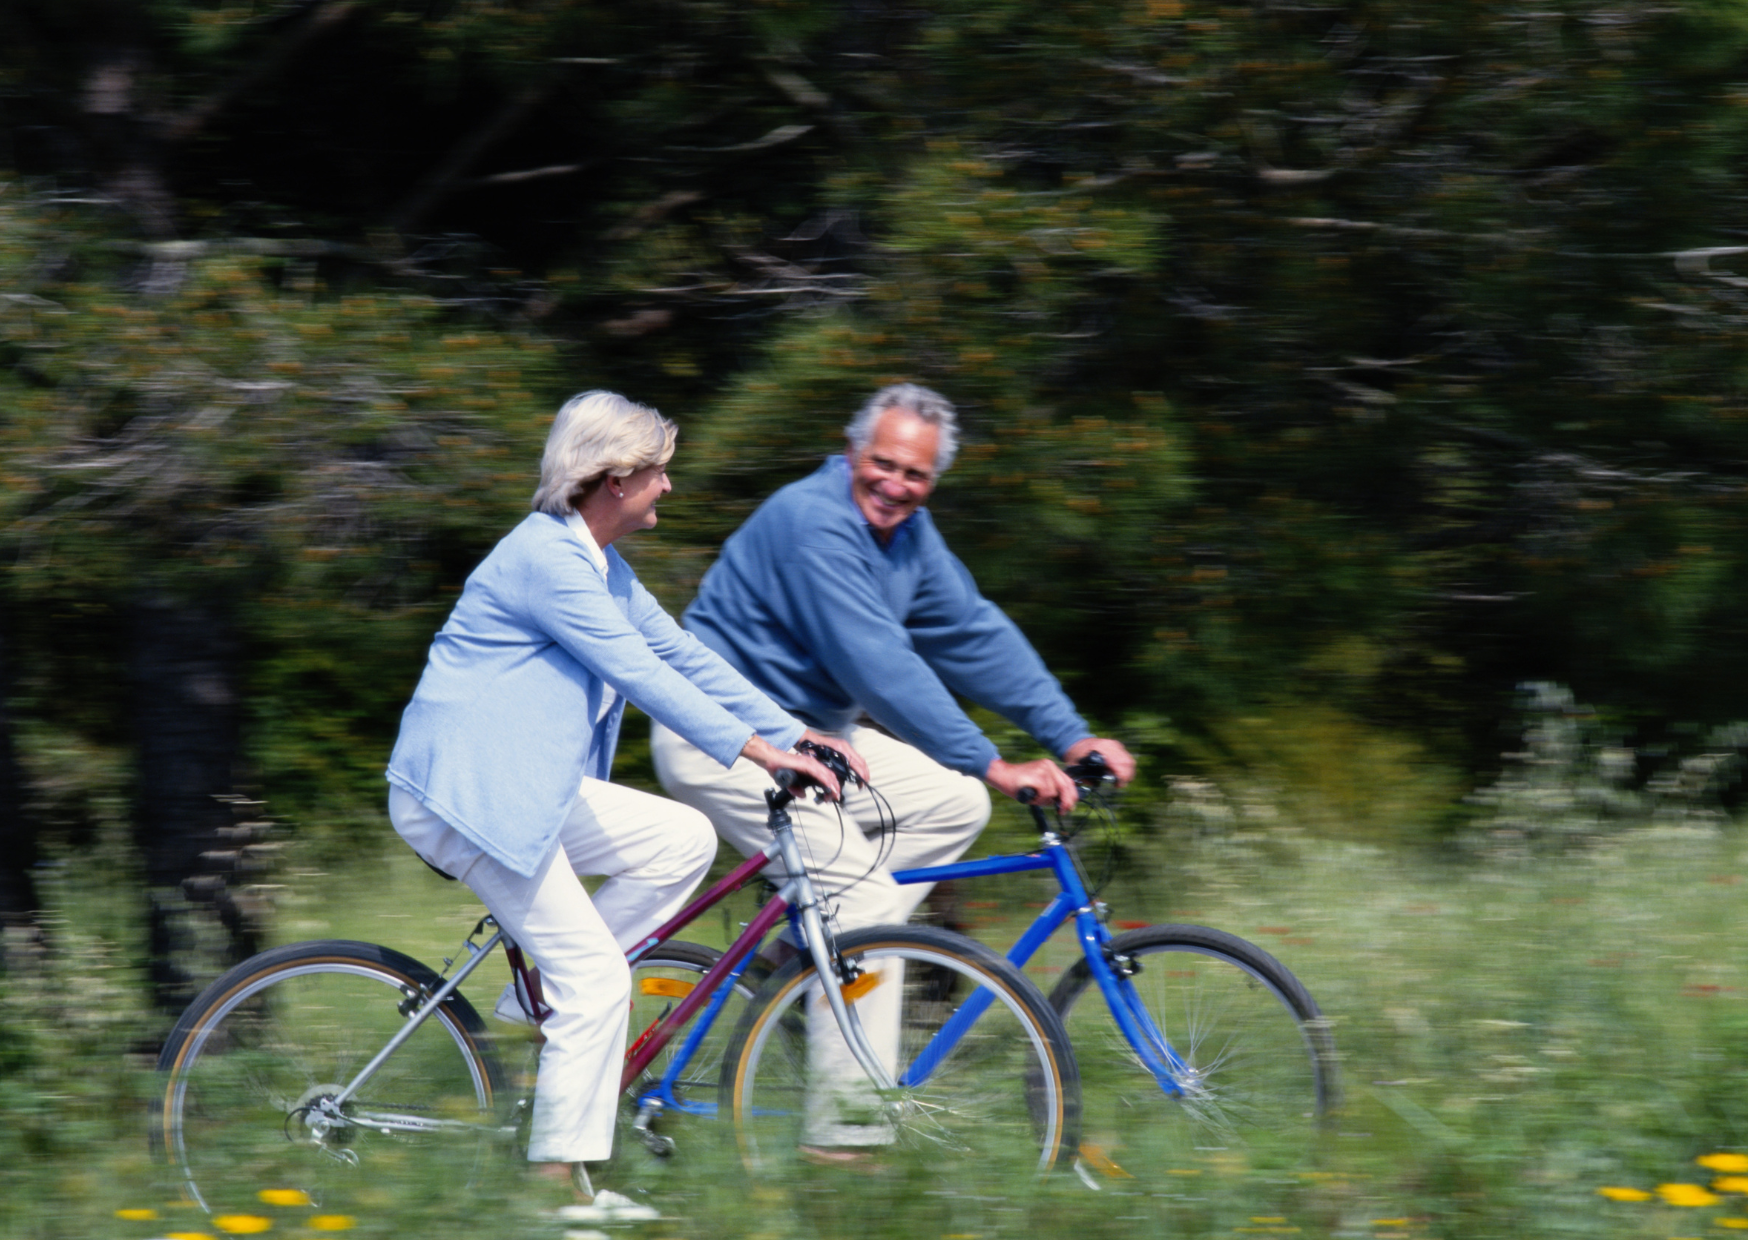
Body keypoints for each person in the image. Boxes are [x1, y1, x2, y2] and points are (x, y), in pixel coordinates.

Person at [384, 390, 858, 1198]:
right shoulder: (547, 562)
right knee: (600, 981)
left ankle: (539, 1000)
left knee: (682, 841)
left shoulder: (602, 568)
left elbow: (681, 656)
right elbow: (639, 675)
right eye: (657, 471)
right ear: (613, 479)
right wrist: (760, 755)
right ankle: (555, 1189)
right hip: (469, 800)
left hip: (530, 793)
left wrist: (797, 733)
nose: (667, 485)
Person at [651, 381, 1135, 1151]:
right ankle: (844, 1144)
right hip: (726, 738)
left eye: (916, 474)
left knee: (955, 804)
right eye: (884, 463)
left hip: (819, 740)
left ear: (932, 480)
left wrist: (1070, 736)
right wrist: (994, 761)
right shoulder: (813, 523)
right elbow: (878, 666)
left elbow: (973, 634)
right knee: (865, 900)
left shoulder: (909, 537)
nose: (896, 485)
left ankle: (808, 958)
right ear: (852, 452)